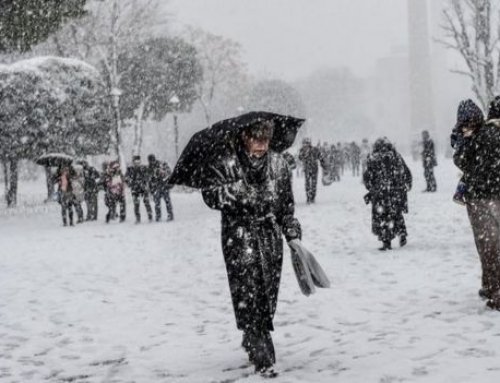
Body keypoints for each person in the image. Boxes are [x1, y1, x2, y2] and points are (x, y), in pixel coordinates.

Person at [201, 120, 301, 376]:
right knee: (248, 291)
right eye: (256, 139)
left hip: (269, 238)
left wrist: (291, 230)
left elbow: (286, 204)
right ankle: (262, 352)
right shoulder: (227, 162)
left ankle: (252, 332)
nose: (261, 145)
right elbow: (211, 195)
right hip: (239, 236)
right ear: (245, 137)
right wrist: (238, 192)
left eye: (265, 140)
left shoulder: (279, 164)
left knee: (267, 293)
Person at [452, 98, 500, 310]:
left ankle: (493, 288)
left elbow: (461, 160)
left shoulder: (479, 135)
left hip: (479, 198)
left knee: (488, 246)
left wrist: (464, 140)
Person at [363, 138, 412, 250]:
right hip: (396, 191)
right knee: (396, 213)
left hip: (380, 193)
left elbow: (368, 176)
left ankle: (386, 241)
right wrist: (406, 184)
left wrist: (371, 187)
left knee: (382, 216)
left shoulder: (373, 158)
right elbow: (406, 171)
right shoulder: (396, 156)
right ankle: (402, 233)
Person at [126, 155, 153, 223]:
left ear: (140, 161)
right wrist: (130, 182)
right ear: (133, 162)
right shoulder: (130, 169)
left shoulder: (144, 168)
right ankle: (138, 218)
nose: (137, 163)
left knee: (146, 203)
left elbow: (149, 176)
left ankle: (150, 217)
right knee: (136, 204)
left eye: (138, 161)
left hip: (143, 188)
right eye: (135, 161)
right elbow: (126, 178)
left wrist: (144, 181)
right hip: (135, 189)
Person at [147, 154, 174, 222]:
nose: (152, 162)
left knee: (167, 202)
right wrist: (151, 189)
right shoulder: (149, 168)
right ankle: (158, 216)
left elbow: (169, 173)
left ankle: (170, 215)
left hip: (164, 186)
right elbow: (149, 179)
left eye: (152, 160)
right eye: (150, 161)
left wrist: (163, 174)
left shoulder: (162, 164)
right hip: (156, 187)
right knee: (157, 203)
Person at [298, 138, 321, 203]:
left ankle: (312, 197)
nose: (305, 145)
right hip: (307, 169)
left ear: (309, 144)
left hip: (314, 169)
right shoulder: (302, 150)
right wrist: (303, 154)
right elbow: (300, 158)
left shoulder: (315, 149)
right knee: (308, 184)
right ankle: (308, 197)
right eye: (304, 143)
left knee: (313, 184)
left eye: (306, 143)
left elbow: (320, 157)